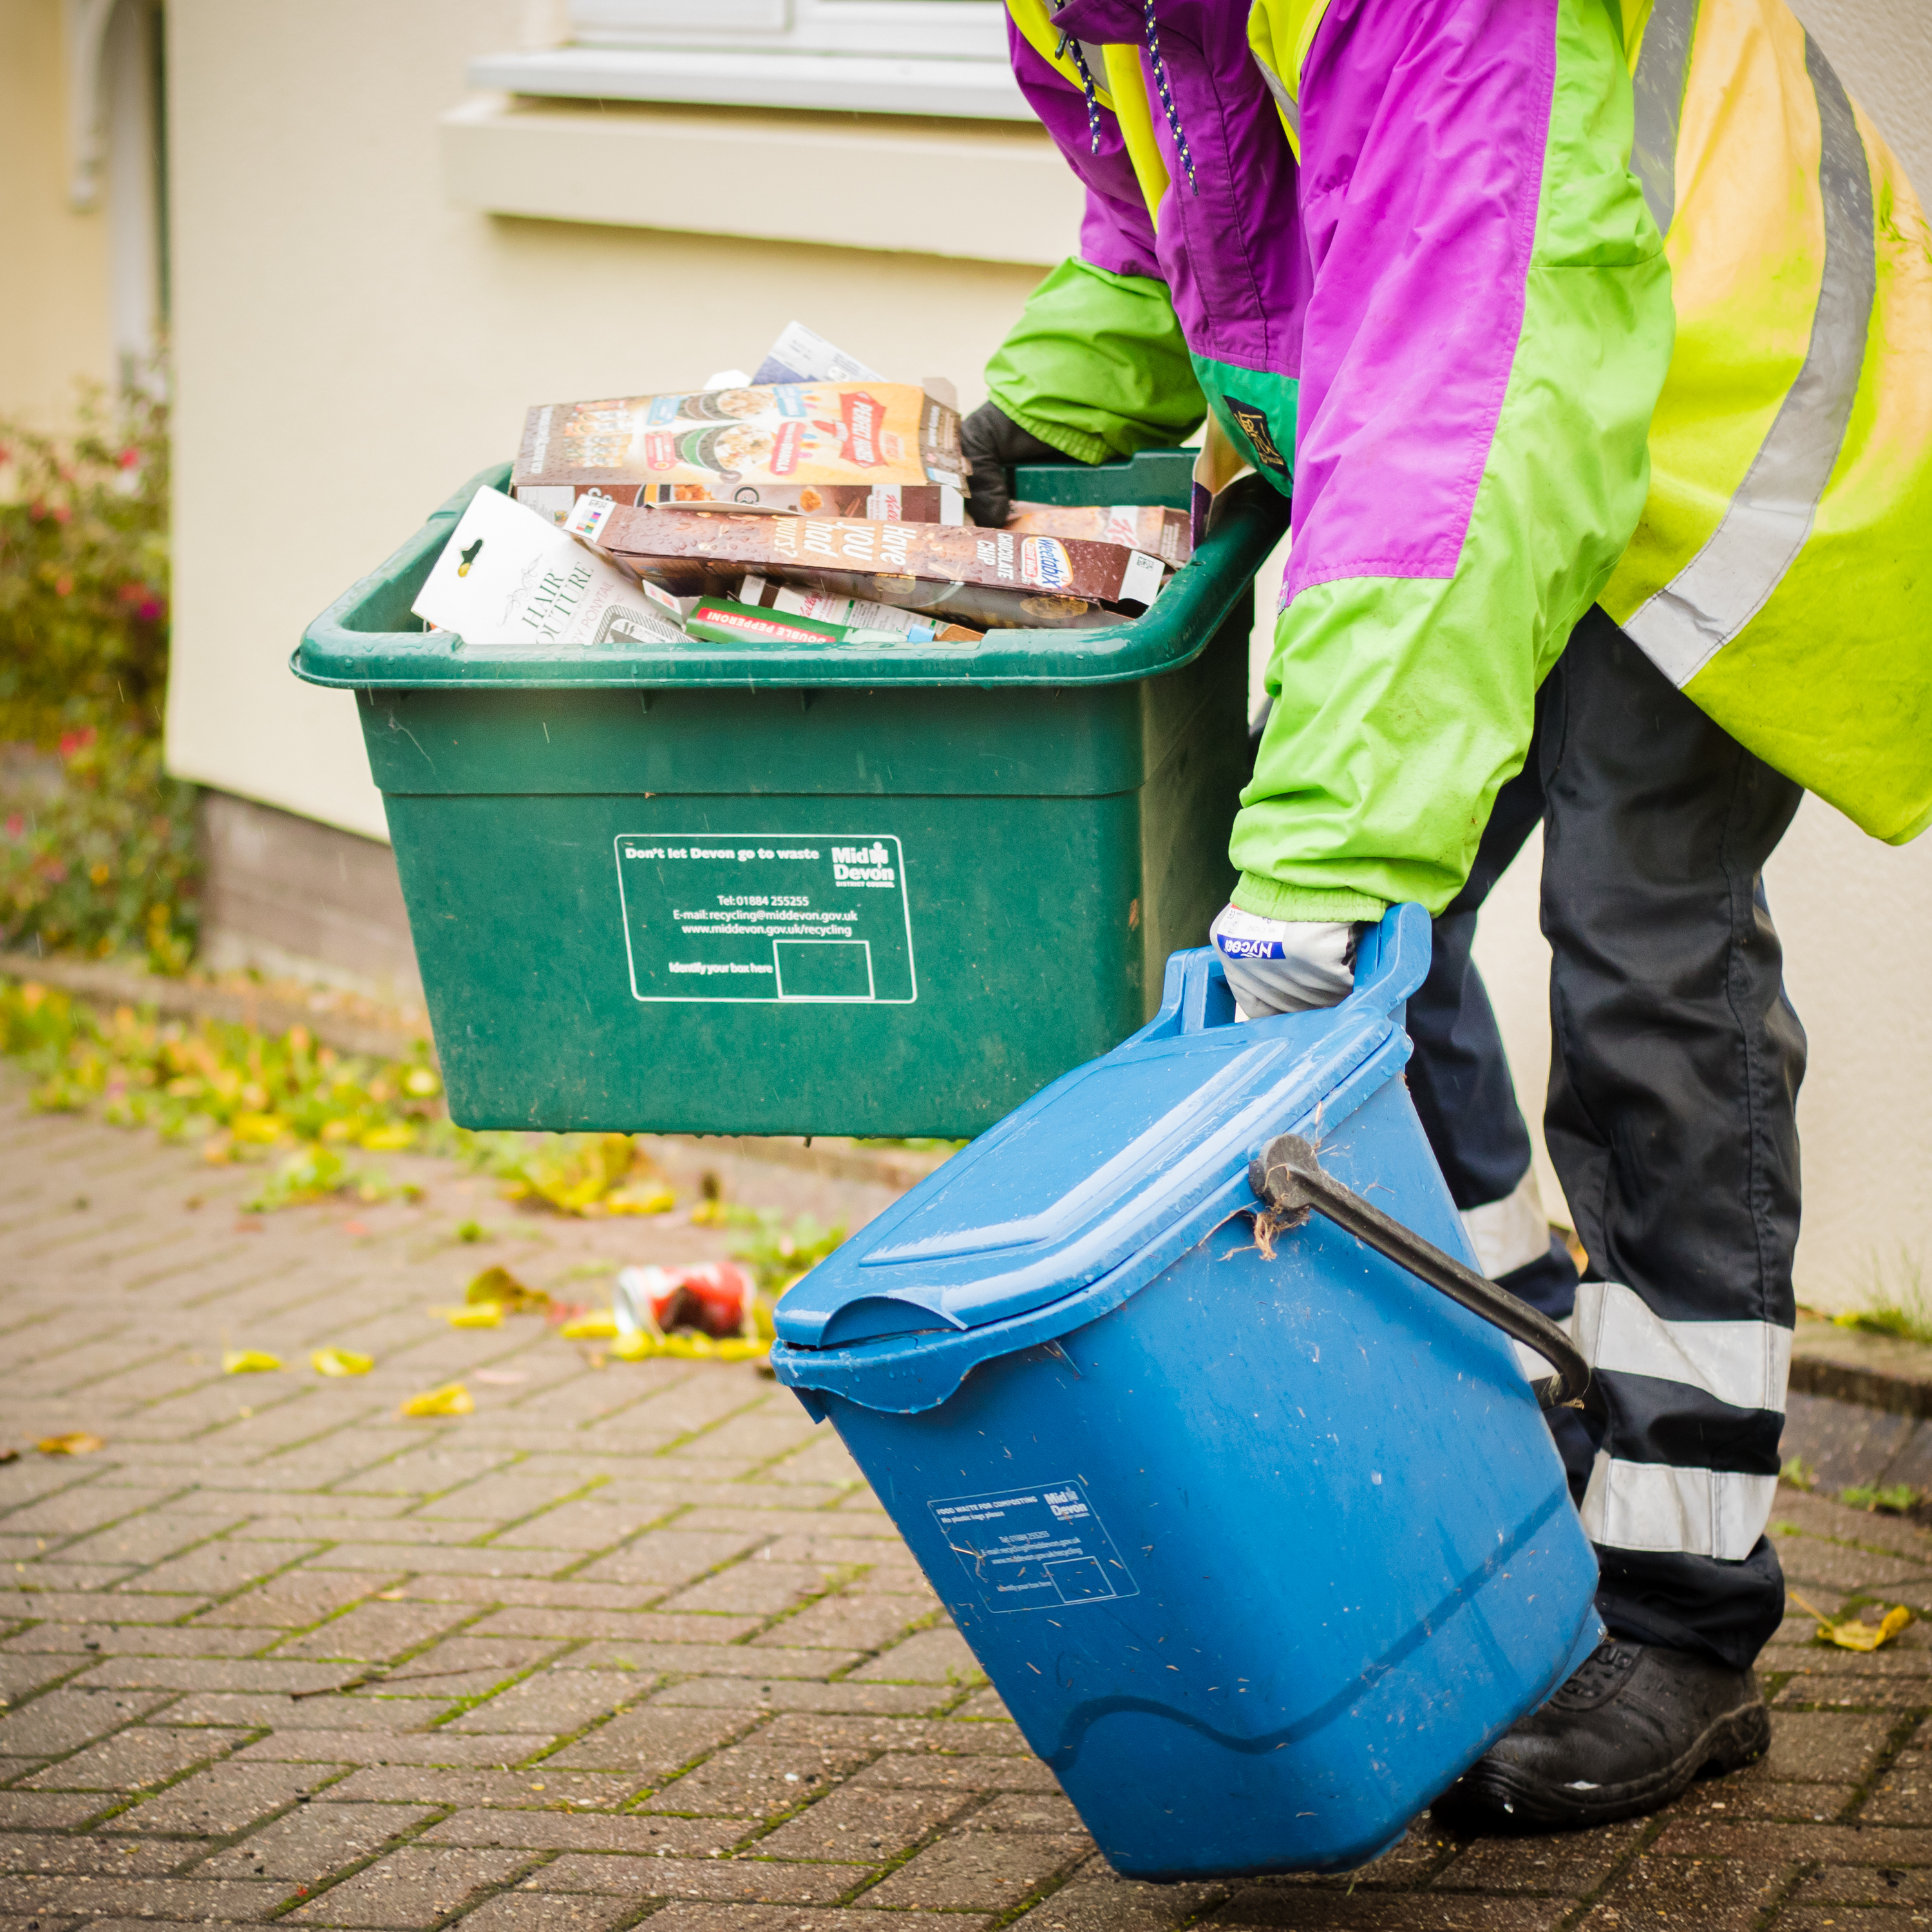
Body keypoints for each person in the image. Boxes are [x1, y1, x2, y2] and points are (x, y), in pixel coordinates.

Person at [962, 0, 1932, 1830]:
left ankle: (1679, 1601)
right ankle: (1527, 1420)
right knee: (1373, 985)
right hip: (1491, 405)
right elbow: (1194, 221)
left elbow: (1472, 393)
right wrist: (1038, 402)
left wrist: (1315, 868)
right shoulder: (1077, 10)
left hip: (1700, 431)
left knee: (1647, 955)